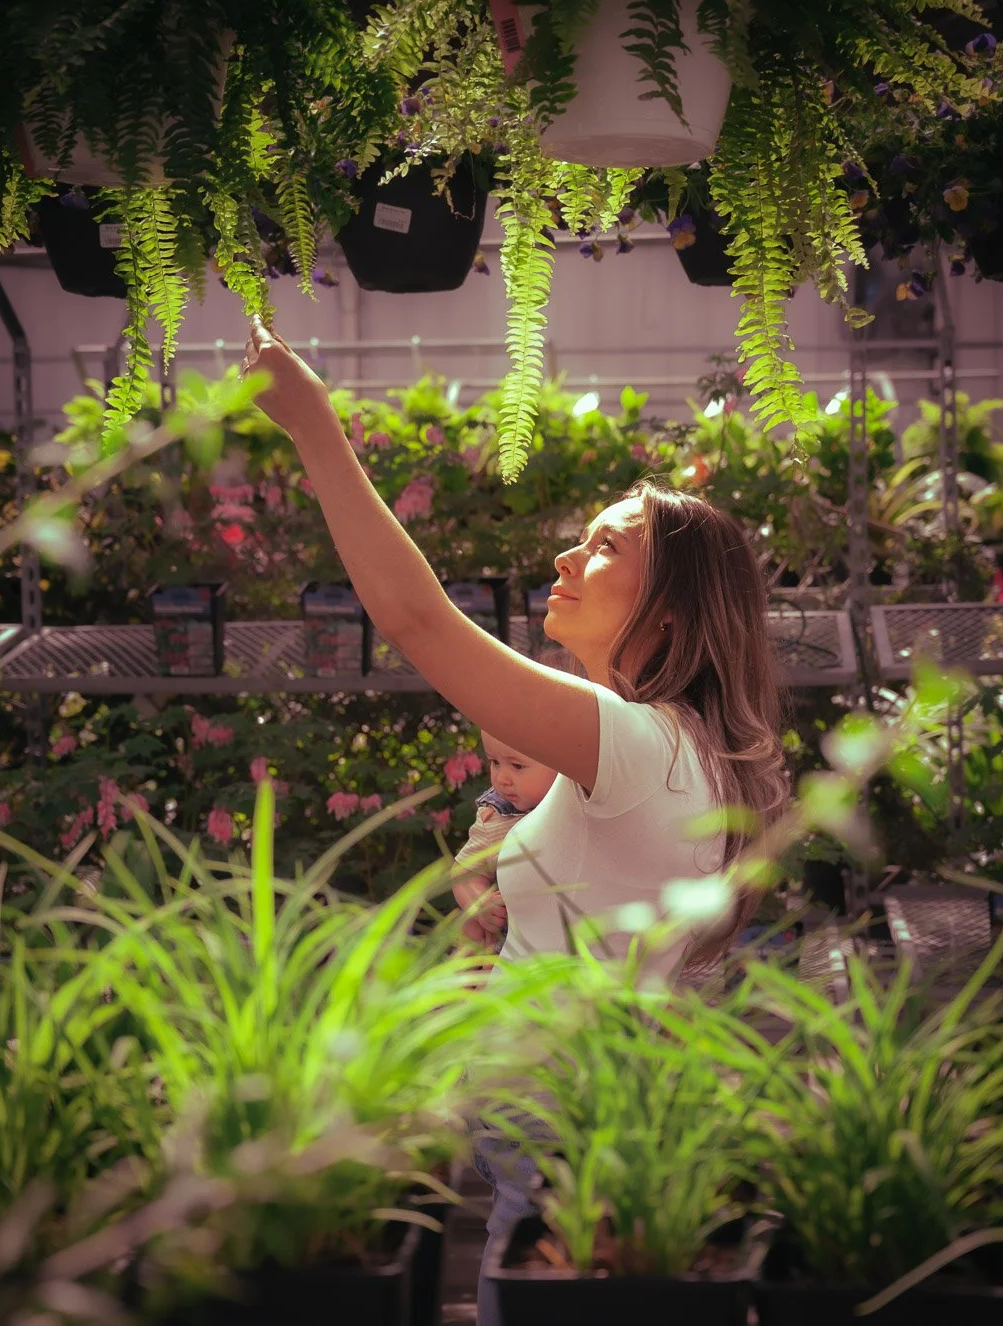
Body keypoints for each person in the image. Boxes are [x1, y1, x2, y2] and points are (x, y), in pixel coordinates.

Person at [241, 316, 788, 1326]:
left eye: (607, 545)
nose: (566, 554)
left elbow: (414, 620)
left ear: (667, 611)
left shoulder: (635, 740)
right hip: (570, 1141)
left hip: (567, 1151)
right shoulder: (669, 747)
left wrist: (315, 430)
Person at [451, 730, 558, 951]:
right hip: (515, 949)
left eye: (517, 766)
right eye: (495, 762)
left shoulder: (583, 804)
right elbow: (464, 872)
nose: (501, 779)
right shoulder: (495, 818)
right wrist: (480, 904)